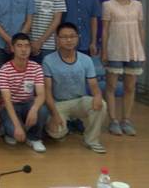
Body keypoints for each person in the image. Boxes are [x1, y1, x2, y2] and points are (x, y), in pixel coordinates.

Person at [44, 22, 107, 154]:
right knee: (57, 133)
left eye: (72, 36)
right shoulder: (48, 60)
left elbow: (94, 85)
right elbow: (47, 92)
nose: (69, 40)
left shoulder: (86, 60)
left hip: (79, 101)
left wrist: (98, 96)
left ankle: (91, 140)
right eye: (64, 37)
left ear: (78, 38)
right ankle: (62, 127)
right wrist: (55, 115)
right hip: (58, 103)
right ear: (57, 39)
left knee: (101, 104)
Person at [101, 0, 145, 136]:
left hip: (134, 50)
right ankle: (113, 120)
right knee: (111, 86)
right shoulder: (108, 5)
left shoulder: (138, 5)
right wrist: (104, 51)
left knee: (130, 87)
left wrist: (141, 50)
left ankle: (126, 120)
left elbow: (140, 28)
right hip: (115, 50)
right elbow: (105, 30)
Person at [0, 33, 48, 153]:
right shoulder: (4, 70)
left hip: (28, 104)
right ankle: (7, 130)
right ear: (12, 48)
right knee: (16, 133)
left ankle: (34, 138)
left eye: (27, 46)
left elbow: (41, 94)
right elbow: (7, 101)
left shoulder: (36, 67)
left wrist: (34, 109)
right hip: (10, 106)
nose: (23, 49)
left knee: (42, 110)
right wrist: (17, 126)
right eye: (19, 46)